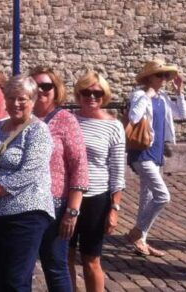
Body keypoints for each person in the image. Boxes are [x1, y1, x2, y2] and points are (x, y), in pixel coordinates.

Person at [0, 75, 53, 291]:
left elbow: (29, 174)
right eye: (12, 98)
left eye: (22, 99)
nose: (16, 103)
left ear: (32, 100)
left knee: (15, 281)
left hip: (25, 215)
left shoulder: (38, 131)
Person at [30, 66, 89, 292]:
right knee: (25, 267)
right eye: (36, 86)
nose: (41, 90)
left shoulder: (66, 120)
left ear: (56, 90)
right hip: (26, 204)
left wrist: (72, 211)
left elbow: (79, 167)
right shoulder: (25, 117)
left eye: (47, 86)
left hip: (55, 204)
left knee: (55, 265)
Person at [125, 59, 186, 257]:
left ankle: (141, 240)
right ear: (149, 77)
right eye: (159, 75)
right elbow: (134, 117)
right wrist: (147, 96)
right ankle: (137, 233)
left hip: (157, 153)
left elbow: (181, 115)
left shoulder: (164, 98)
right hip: (142, 153)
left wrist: (179, 92)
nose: (164, 79)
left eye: (165, 76)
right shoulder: (140, 95)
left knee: (148, 197)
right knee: (163, 196)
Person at [70, 71, 125, 292]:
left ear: (105, 95)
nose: (91, 96)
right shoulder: (70, 120)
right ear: (78, 94)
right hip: (68, 198)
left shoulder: (113, 126)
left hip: (96, 199)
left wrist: (115, 208)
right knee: (65, 257)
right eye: (86, 92)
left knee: (91, 260)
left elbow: (117, 171)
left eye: (97, 92)